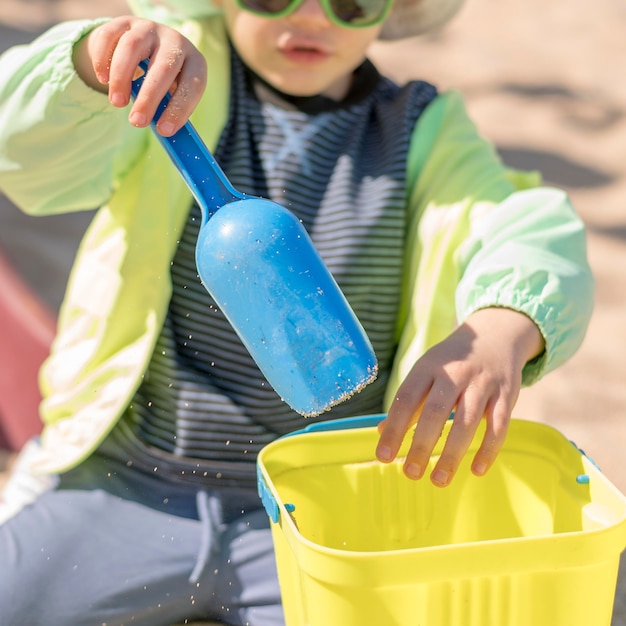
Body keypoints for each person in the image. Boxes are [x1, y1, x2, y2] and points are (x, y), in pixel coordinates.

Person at [0, 0, 593, 623]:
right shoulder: (165, 92)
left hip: (325, 502)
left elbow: (526, 225)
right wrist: (91, 68)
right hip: (135, 479)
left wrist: (504, 324)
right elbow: (24, 155)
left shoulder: (425, 130)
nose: (312, 17)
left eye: (352, 1)